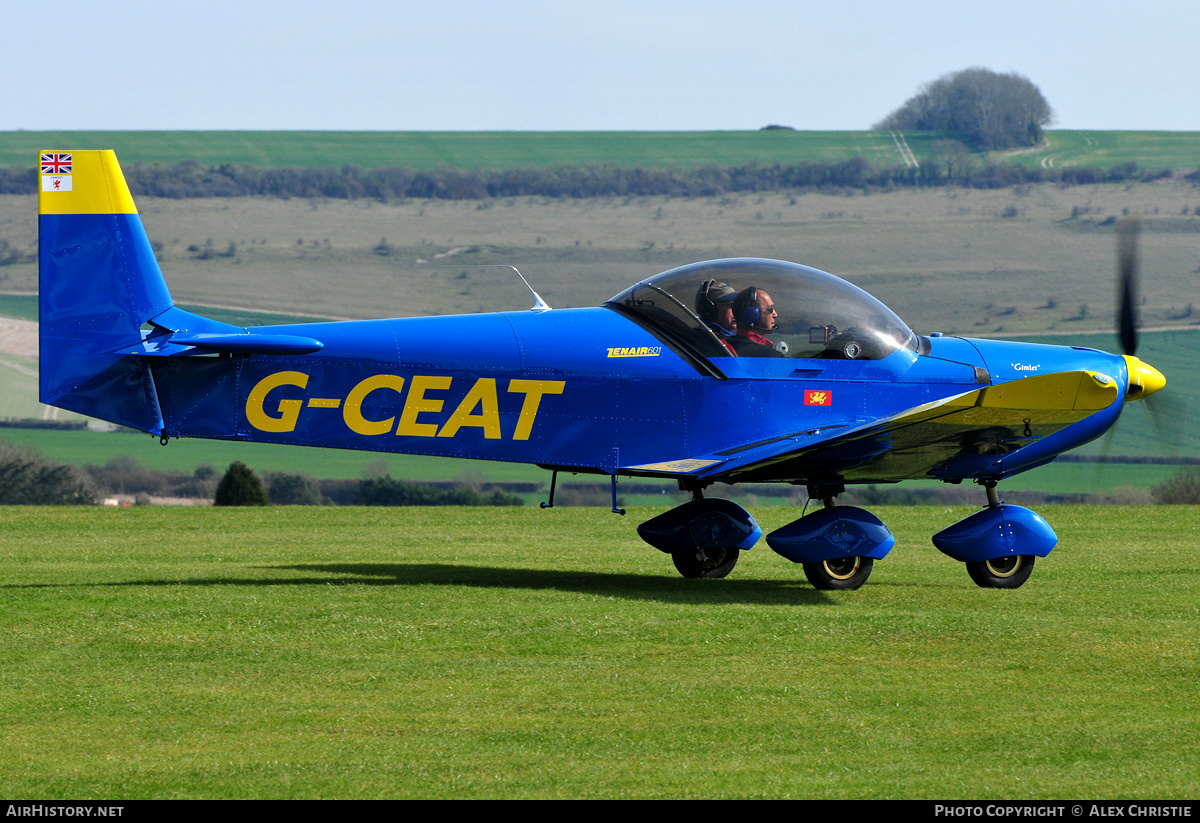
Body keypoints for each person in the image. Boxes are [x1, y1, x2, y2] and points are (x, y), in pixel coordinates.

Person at [728, 286, 784, 357]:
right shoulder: (771, 356)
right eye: (770, 309)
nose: (775, 314)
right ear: (752, 314)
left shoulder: (725, 347)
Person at [694, 279, 739, 354]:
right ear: (709, 310)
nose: (735, 310)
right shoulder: (709, 341)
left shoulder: (727, 337)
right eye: (730, 305)